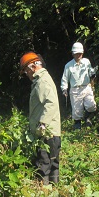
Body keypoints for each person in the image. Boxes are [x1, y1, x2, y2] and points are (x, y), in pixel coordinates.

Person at [19, 52, 61, 185]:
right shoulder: (43, 79)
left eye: (26, 70)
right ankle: (54, 196)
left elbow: (51, 103)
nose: (26, 74)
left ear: (33, 67)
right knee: (53, 165)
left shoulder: (42, 81)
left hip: (46, 133)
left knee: (43, 166)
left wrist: (42, 124)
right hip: (52, 132)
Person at [61, 42, 98, 129]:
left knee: (91, 105)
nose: (79, 55)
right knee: (77, 111)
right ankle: (77, 126)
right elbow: (65, 78)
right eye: (77, 53)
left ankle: (87, 118)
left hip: (86, 87)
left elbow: (90, 71)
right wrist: (64, 89)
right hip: (75, 90)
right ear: (73, 54)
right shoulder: (68, 66)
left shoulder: (86, 62)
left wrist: (93, 73)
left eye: (80, 53)